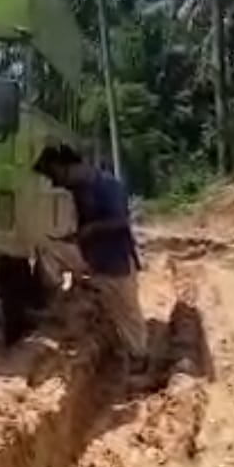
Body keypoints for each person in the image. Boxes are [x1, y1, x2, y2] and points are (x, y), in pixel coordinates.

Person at [34, 144, 148, 373]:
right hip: (94, 258)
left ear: (71, 167)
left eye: (57, 176)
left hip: (115, 260)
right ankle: (57, 301)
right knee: (47, 248)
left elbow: (120, 222)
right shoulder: (81, 189)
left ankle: (140, 360)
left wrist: (89, 232)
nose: (57, 184)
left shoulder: (107, 186)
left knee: (126, 313)